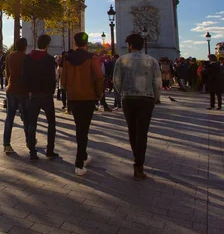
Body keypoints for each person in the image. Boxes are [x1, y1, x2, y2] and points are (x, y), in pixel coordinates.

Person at [113, 33, 161, 180]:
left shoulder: (122, 60)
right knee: (143, 132)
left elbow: (116, 81)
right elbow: (157, 82)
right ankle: (139, 164)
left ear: (129, 45)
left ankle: (136, 158)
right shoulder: (152, 61)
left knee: (132, 130)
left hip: (129, 98)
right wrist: (156, 98)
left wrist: (121, 95)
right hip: (146, 99)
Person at [61, 32, 104, 176]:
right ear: (86, 43)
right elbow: (98, 77)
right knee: (83, 130)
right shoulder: (92, 57)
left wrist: (70, 91)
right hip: (88, 97)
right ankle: (79, 163)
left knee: (80, 129)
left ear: (74, 43)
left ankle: (84, 156)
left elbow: (63, 81)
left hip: (73, 98)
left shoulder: (67, 59)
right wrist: (99, 94)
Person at [22, 35, 58, 162]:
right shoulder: (49, 59)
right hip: (46, 95)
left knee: (32, 124)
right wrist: (51, 91)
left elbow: (24, 77)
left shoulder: (27, 58)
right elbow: (53, 79)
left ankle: (32, 151)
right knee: (51, 124)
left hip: (33, 95)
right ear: (47, 45)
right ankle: (50, 150)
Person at [3, 38, 29, 154]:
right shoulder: (26, 58)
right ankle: (29, 140)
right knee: (26, 117)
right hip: (23, 90)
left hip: (11, 88)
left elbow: (7, 72)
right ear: (25, 47)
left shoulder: (9, 56)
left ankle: (6, 144)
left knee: (9, 117)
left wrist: (9, 81)